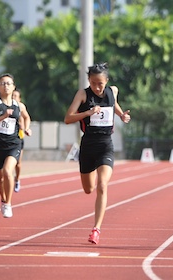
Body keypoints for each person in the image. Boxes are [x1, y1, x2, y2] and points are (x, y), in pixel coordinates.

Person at [64, 63, 131, 244]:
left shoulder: (113, 91)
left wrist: (121, 115)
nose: (97, 87)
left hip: (105, 146)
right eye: (93, 83)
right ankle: (95, 223)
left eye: (100, 83)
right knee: (89, 189)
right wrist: (87, 112)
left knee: (102, 185)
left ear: (107, 81)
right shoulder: (83, 94)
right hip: (88, 145)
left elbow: (114, 104)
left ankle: (96, 229)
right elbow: (68, 118)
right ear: (89, 81)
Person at [0, 73, 31, 218]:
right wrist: (2, 117)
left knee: (7, 171)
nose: (6, 86)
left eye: (9, 83)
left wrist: (26, 128)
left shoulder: (19, 105)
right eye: (3, 83)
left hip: (13, 143)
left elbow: (27, 117)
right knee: (0, 177)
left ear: (13, 87)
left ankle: (8, 204)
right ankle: (3, 199)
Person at [12, 89, 32, 192]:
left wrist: (26, 128)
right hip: (8, 137)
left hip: (19, 136)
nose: (13, 97)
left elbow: (27, 117)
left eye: (16, 96)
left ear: (19, 98)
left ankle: (17, 179)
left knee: (18, 163)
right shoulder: (5, 106)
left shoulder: (21, 106)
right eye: (12, 95)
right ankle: (8, 178)